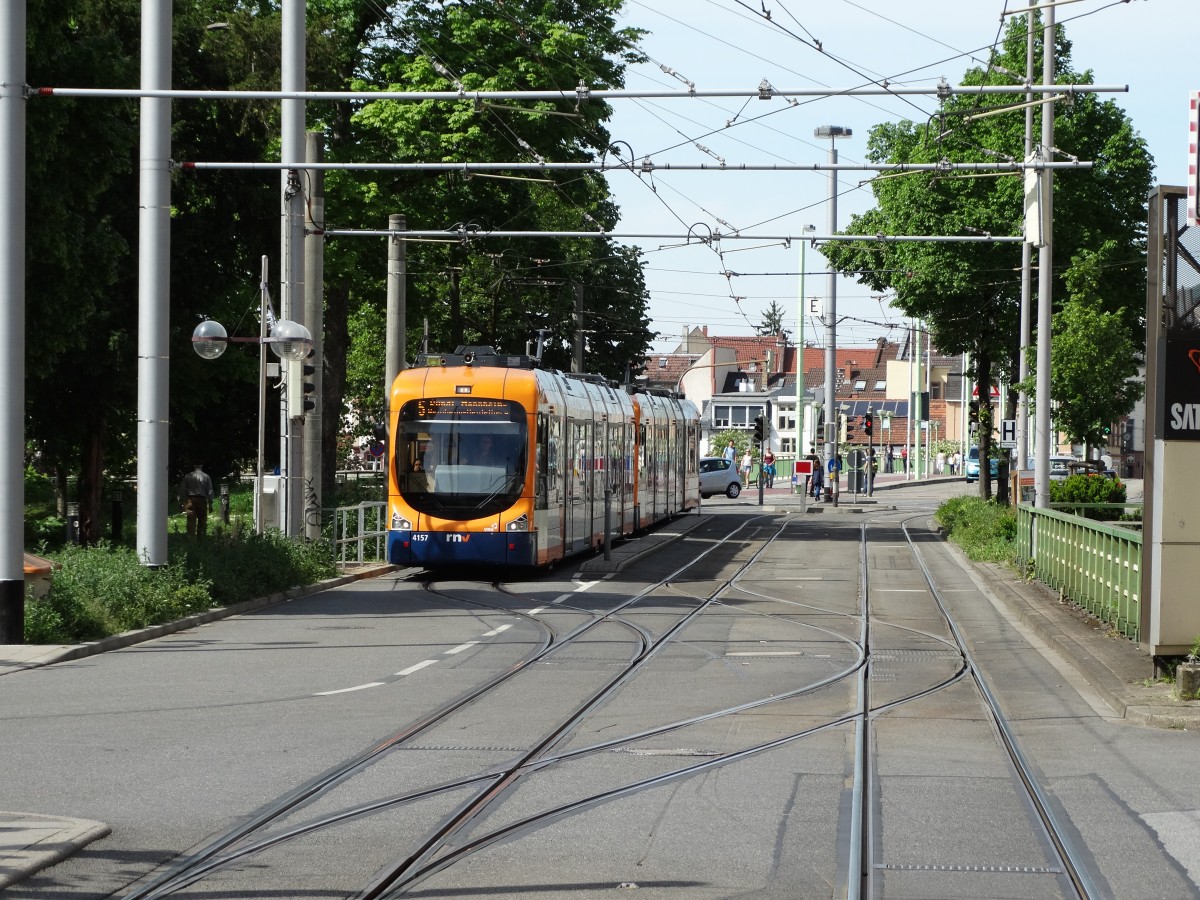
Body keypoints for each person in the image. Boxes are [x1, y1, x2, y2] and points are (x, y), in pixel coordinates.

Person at [178, 461, 214, 538]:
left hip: (190, 500)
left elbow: (182, 489)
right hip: (202, 500)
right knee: (202, 520)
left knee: (191, 520)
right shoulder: (206, 476)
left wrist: (180, 501)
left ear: (194, 465)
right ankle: (201, 539)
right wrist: (210, 503)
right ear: (202, 465)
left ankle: (191, 539)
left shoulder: (188, 476)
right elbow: (210, 490)